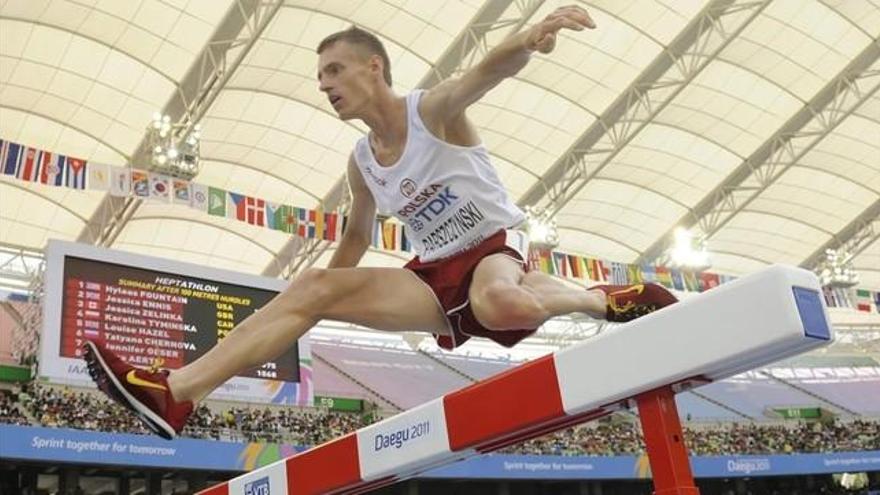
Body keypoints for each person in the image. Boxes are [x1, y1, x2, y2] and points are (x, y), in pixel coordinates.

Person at [83, 5, 677, 440]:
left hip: (494, 245)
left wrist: (528, 37)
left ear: (374, 68)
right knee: (312, 284)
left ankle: (599, 301)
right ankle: (176, 393)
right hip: (434, 274)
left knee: (501, 303)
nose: (325, 86)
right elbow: (357, 239)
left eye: (335, 72)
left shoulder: (431, 111)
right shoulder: (361, 162)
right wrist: (310, 303)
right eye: (320, 80)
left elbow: (487, 71)